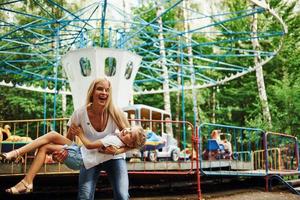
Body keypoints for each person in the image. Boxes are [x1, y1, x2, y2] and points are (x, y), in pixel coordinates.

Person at [2, 77, 132, 199]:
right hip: (89, 157)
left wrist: (117, 151)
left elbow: (133, 142)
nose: (104, 92)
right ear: (92, 92)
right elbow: (68, 141)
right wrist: (62, 153)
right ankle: (20, 164)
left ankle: (18, 159)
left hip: (114, 158)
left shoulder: (116, 113)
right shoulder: (80, 113)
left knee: (122, 196)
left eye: (107, 90)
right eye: (100, 89)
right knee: (84, 196)